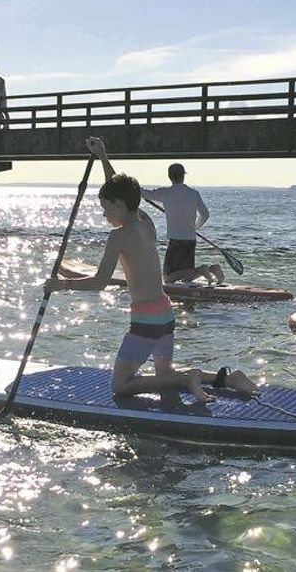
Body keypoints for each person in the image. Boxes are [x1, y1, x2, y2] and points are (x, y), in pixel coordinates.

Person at [44, 136, 259, 402]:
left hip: (146, 319)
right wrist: (103, 157)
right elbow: (122, 192)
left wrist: (62, 285)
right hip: (165, 313)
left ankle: (186, 379)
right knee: (163, 374)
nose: (103, 214)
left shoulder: (118, 236)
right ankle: (226, 378)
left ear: (119, 205)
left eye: (105, 207)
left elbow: (100, 282)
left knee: (120, 384)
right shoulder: (146, 223)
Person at [142, 163, 224, 284]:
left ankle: (203, 270)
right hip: (190, 239)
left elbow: (144, 193)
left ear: (169, 176)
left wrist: (127, 184)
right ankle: (212, 269)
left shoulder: (166, 193)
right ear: (183, 176)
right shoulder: (193, 193)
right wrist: (195, 227)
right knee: (187, 276)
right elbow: (205, 215)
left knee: (168, 278)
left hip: (176, 241)